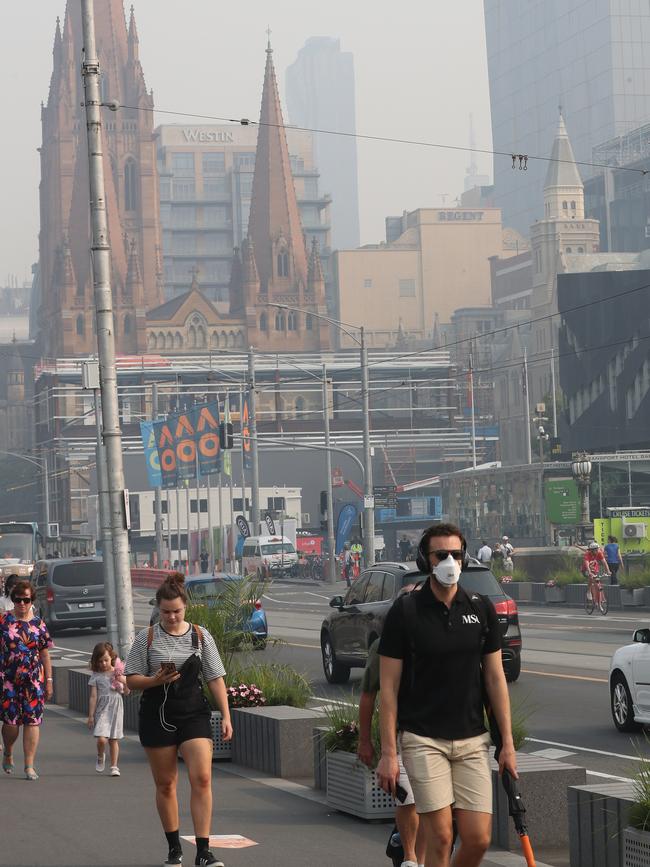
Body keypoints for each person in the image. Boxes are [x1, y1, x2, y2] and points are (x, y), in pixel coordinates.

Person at [376, 523, 517, 867]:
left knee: (478, 839)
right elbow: (388, 688)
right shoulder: (406, 611)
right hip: (423, 739)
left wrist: (508, 743)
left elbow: (496, 679)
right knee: (440, 837)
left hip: (472, 739)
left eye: (456, 554)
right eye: (441, 555)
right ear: (426, 560)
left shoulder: (481, 608)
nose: (449, 562)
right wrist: (388, 753)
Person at [125, 572, 232, 867]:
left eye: (177, 611)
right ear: (158, 609)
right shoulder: (145, 638)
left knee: (202, 777)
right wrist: (154, 680)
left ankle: (203, 851)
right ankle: (174, 848)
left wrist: (226, 714)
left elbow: (215, 677)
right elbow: (130, 680)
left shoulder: (200, 635)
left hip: (193, 712)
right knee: (166, 784)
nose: (172, 617)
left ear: (186, 607)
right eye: (166, 612)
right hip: (156, 713)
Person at [358, 586, 426, 867]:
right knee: (408, 797)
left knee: (431, 802)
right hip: (400, 732)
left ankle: (420, 859)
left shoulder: (439, 639)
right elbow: (368, 696)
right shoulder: (383, 646)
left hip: (438, 730)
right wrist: (365, 740)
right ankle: (411, 858)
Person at [0, 580, 53, 780]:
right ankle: (8, 751)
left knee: (32, 721)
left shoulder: (39, 624)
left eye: (26, 600)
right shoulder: (4, 621)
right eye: (17, 599)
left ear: (32, 600)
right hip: (8, 680)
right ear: (13, 600)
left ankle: (29, 765)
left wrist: (49, 680)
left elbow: (45, 654)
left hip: (34, 681)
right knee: (11, 723)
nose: (22, 603)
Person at [87, 641, 129, 777]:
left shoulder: (117, 673)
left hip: (116, 707)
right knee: (101, 739)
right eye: (100, 661)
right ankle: (100, 755)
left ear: (111, 657)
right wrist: (91, 716)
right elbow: (93, 696)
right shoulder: (96, 675)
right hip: (102, 708)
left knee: (113, 739)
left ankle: (114, 766)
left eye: (106, 660)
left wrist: (123, 682)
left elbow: (127, 691)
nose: (103, 664)